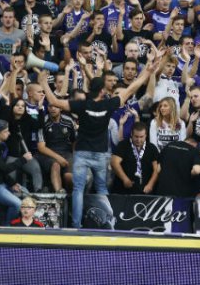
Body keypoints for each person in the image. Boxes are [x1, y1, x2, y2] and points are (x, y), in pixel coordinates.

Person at [50, 58, 158, 228]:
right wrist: (148, 72)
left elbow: (55, 102)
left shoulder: (81, 105)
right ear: (102, 91)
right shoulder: (109, 104)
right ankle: (109, 223)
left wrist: (43, 82)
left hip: (82, 152)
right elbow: (132, 88)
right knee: (101, 189)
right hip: (100, 153)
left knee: (78, 189)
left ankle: (76, 226)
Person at [110, 121, 160, 195]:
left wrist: (151, 184)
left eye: (141, 137)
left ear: (146, 135)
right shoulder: (123, 145)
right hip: (124, 191)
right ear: (131, 134)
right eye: (136, 136)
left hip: (145, 192)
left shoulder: (152, 148)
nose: (138, 140)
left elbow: (157, 169)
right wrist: (125, 179)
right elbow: (114, 162)